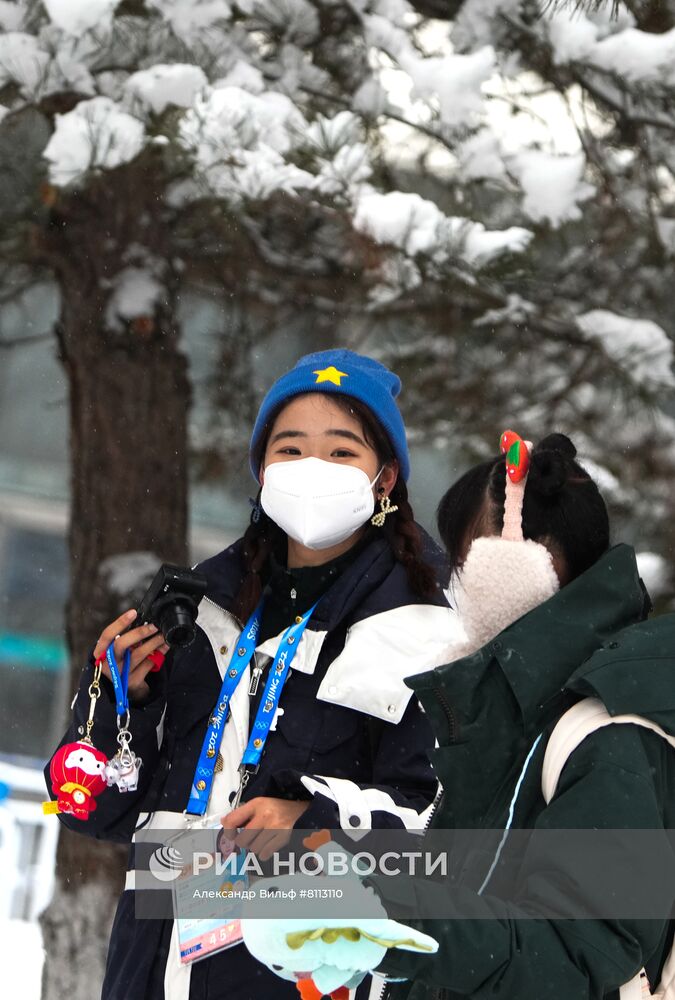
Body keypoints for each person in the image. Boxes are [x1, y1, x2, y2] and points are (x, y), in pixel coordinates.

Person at [44, 349, 459, 1000]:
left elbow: (440, 827)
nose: (311, 471)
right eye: (289, 450)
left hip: (307, 974)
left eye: (341, 452)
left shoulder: (425, 629)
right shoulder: (201, 607)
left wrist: (310, 820)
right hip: (153, 971)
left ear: (384, 480)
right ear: (262, 472)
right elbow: (93, 809)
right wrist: (121, 701)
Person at [368, 431, 675, 1000]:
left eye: (463, 560)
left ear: (515, 565)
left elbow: (575, 956)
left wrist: (396, 923)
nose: (452, 582)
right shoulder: (516, 711)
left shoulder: (603, 734)